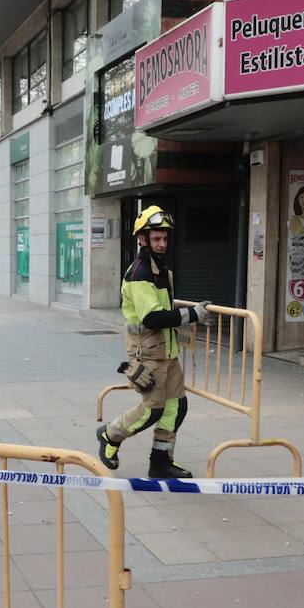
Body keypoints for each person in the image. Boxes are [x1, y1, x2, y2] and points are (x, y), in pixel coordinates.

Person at [95, 206, 207, 480]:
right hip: (148, 356)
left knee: (175, 407)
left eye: (165, 239)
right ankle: (110, 434)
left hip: (167, 354)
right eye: (156, 239)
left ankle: (160, 462)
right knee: (153, 410)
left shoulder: (161, 271)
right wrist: (192, 314)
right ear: (142, 239)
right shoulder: (140, 273)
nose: (162, 244)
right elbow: (153, 317)